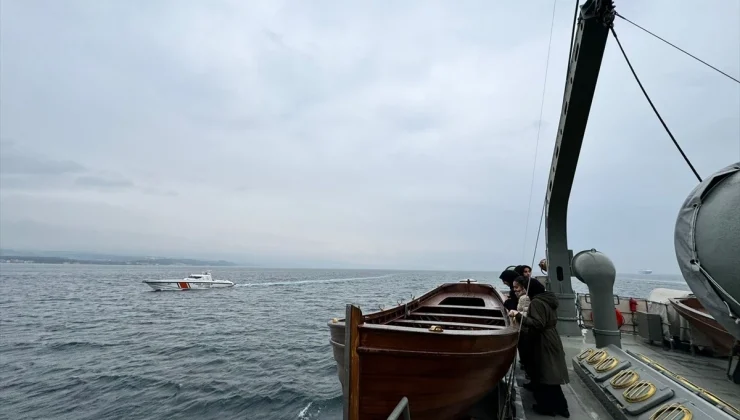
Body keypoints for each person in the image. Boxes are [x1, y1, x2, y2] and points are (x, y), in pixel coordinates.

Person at [508, 286, 570, 417]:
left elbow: (538, 323)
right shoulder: (548, 300)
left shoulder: (536, 302)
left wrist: (518, 315)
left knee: (544, 374)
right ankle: (561, 407)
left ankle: (546, 407)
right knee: (551, 375)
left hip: (543, 340)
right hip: (551, 337)